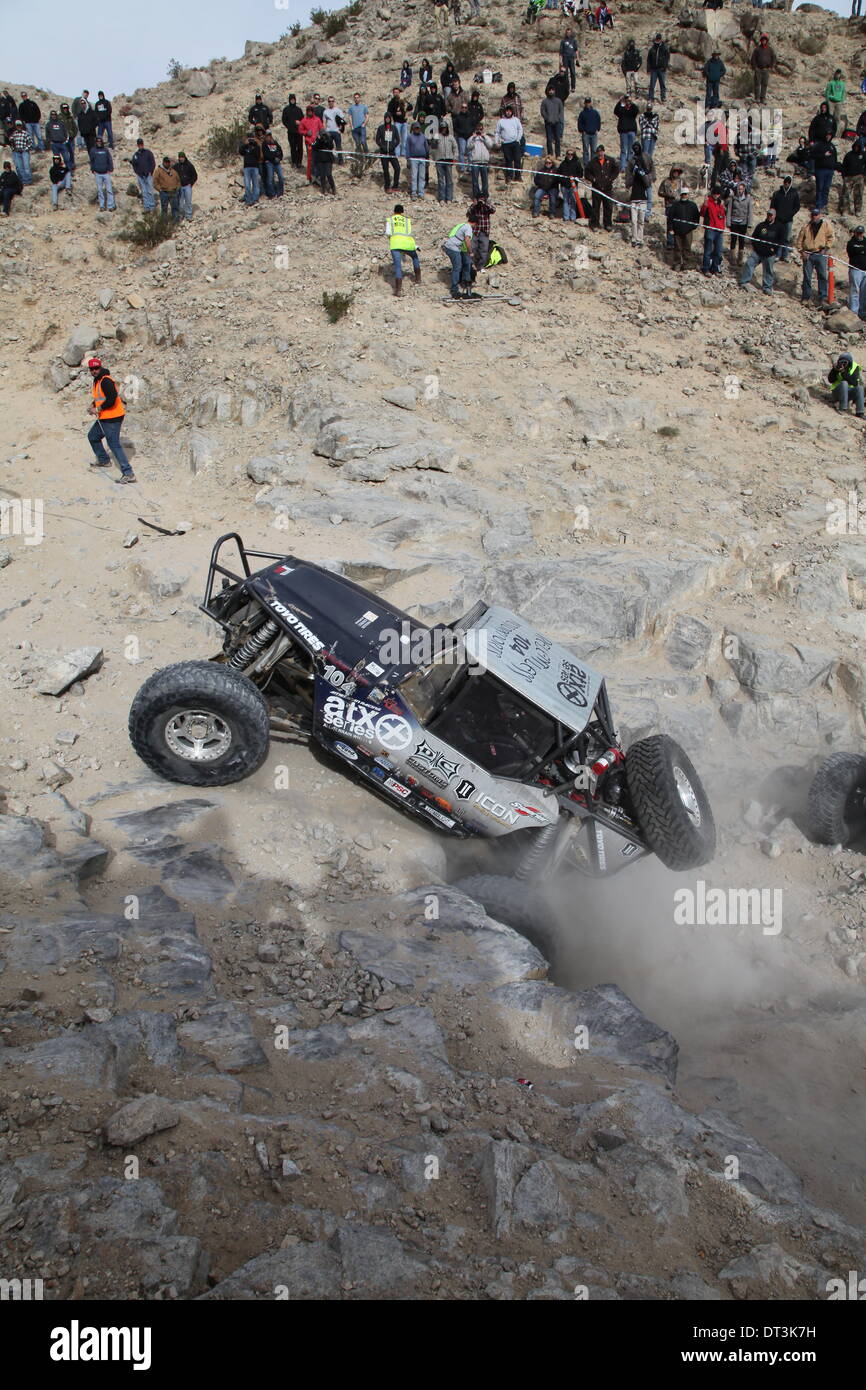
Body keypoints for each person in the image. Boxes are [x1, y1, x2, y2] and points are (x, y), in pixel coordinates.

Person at [86, 358, 135, 483]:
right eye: (92, 369)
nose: (94, 371)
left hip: (113, 417)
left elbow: (112, 398)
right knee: (93, 436)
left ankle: (128, 473)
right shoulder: (97, 380)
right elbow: (100, 397)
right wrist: (93, 405)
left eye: (96, 368)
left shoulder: (105, 380)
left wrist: (98, 408)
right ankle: (104, 460)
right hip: (104, 416)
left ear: (100, 367)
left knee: (113, 444)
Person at [739, 207, 784, 295]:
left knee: (768, 270)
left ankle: (767, 287)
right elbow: (754, 238)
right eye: (768, 214)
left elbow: (781, 241)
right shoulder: (761, 225)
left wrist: (774, 250)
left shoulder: (779, 227)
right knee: (749, 263)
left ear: (774, 216)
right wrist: (756, 248)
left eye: (771, 215)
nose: (769, 216)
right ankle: (744, 281)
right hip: (758, 252)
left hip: (770, 254)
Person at [797, 206, 834, 307]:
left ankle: (823, 297)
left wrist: (826, 248)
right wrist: (802, 251)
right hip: (808, 255)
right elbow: (799, 241)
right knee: (807, 277)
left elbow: (831, 237)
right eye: (813, 214)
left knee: (822, 276)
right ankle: (806, 297)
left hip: (820, 254)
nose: (814, 216)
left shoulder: (826, 225)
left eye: (816, 214)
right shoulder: (806, 227)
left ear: (820, 215)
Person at [386, 203, 420, 295]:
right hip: (407, 244)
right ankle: (418, 279)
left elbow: (388, 233)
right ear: (402, 212)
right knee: (415, 257)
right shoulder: (406, 220)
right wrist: (414, 245)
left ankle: (398, 291)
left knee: (398, 267)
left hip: (395, 244)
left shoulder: (390, 219)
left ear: (394, 211)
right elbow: (409, 233)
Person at [668, 186, 700, 270]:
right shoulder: (675, 205)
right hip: (677, 230)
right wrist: (670, 228)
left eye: (686, 194)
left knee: (687, 248)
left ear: (688, 195)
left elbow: (697, 217)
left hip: (688, 230)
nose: (684, 196)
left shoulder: (693, 205)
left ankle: (687, 264)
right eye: (683, 194)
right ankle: (677, 264)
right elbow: (670, 218)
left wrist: (694, 226)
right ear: (680, 195)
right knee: (677, 248)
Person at [626, 145, 652, 245]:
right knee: (633, 220)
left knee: (641, 220)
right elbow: (628, 183)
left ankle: (640, 239)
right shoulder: (632, 164)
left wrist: (642, 173)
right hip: (634, 198)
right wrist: (633, 172)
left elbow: (648, 183)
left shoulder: (644, 169)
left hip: (643, 199)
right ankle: (634, 238)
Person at [587, 144, 617, 229]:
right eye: (598, 152)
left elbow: (616, 170)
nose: (600, 154)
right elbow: (587, 172)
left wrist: (611, 178)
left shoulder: (610, 160)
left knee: (608, 206)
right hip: (596, 187)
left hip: (607, 187)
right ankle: (595, 224)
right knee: (596, 207)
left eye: (601, 152)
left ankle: (607, 224)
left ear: (604, 151)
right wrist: (593, 179)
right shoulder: (592, 162)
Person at [770, 175, 799, 261]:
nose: (786, 184)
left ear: (790, 183)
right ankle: (777, 255)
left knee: (787, 238)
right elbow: (772, 206)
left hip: (788, 220)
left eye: (788, 183)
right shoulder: (777, 193)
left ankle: (785, 255)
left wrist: (791, 214)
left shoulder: (794, 193)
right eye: (785, 182)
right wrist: (774, 215)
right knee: (779, 237)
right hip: (778, 219)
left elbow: (797, 206)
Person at [442, 219, 473, 297]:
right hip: (452, 247)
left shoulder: (462, 225)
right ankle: (454, 290)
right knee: (457, 267)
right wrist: (471, 252)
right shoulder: (468, 227)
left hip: (451, 245)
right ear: (475, 223)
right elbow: (467, 240)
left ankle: (466, 284)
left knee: (466, 262)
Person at [700, 187, 726, 274]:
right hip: (710, 229)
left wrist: (722, 228)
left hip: (719, 231)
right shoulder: (708, 202)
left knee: (718, 252)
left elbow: (722, 217)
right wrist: (704, 205)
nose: (716, 195)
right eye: (715, 193)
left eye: (718, 194)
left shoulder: (720, 204)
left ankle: (714, 269)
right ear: (712, 193)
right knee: (708, 250)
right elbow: (702, 213)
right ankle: (706, 268)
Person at [726, 181, 752, 267]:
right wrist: (728, 222)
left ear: (744, 189)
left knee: (741, 240)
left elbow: (750, 212)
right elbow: (729, 210)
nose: (740, 190)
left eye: (742, 189)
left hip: (743, 223)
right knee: (733, 239)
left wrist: (750, 223)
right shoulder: (733, 198)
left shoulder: (748, 199)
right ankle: (732, 258)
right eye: (739, 189)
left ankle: (740, 259)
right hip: (734, 222)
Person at [495, 106, 524, 182]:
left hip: (515, 142)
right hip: (505, 144)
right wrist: (497, 141)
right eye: (507, 111)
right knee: (508, 160)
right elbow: (497, 132)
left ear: (512, 112)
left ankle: (518, 176)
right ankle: (509, 176)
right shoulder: (501, 121)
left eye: (509, 111)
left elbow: (520, 129)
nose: (508, 112)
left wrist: (518, 139)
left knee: (517, 159)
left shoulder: (516, 120)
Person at [658, 164, 683, 247]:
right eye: (674, 171)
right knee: (670, 224)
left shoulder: (682, 182)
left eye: (677, 171)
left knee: (679, 224)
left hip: (679, 206)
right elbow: (660, 192)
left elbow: (686, 192)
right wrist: (668, 195)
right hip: (669, 205)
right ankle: (670, 242)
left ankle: (678, 242)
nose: (676, 173)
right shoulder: (665, 181)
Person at [468, 193, 495, 265]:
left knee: (483, 250)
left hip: (484, 231)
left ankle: (481, 266)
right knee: (472, 248)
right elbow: (468, 213)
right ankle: (471, 265)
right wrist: (474, 205)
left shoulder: (487, 206)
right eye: (480, 199)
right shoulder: (474, 206)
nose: (481, 201)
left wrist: (485, 204)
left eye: (482, 199)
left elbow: (493, 210)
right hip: (475, 231)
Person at [812, 138, 838, 214]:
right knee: (820, 188)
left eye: (830, 135)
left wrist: (834, 166)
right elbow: (813, 155)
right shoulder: (819, 145)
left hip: (830, 170)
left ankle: (824, 205)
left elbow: (835, 158)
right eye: (827, 135)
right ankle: (818, 206)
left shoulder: (832, 146)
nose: (828, 137)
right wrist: (823, 155)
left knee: (826, 188)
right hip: (820, 169)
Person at [298, 106, 323, 183]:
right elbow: (300, 130)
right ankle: (309, 177)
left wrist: (320, 134)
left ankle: (317, 175)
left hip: (317, 142)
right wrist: (306, 133)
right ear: (306, 111)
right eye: (308, 111)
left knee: (318, 159)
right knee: (310, 160)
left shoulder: (317, 119)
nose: (310, 112)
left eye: (311, 111)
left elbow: (321, 128)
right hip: (309, 142)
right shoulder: (304, 120)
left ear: (313, 111)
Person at [376, 115, 401, 191]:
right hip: (383, 153)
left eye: (389, 118)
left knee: (397, 168)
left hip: (392, 152)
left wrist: (393, 146)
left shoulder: (394, 128)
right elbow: (377, 139)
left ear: (390, 119)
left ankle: (395, 186)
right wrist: (382, 146)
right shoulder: (381, 128)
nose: (387, 119)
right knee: (386, 170)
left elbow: (398, 139)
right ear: (384, 119)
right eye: (386, 118)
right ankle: (387, 186)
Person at [90, 137, 115, 211]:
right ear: (96, 142)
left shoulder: (105, 150)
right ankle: (102, 205)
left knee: (109, 190)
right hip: (98, 173)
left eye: (100, 142)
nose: (99, 143)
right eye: (97, 142)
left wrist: (110, 169)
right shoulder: (93, 150)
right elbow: (91, 161)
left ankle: (110, 206)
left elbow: (109, 159)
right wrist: (93, 170)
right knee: (100, 190)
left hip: (106, 173)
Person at [130, 138, 156, 211]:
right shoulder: (135, 155)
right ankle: (146, 207)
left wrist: (151, 171)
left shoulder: (148, 153)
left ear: (143, 144)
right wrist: (138, 173)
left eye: (141, 144)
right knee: (144, 191)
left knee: (150, 191)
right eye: (139, 144)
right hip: (140, 176)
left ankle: (152, 206)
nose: (140, 145)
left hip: (148, 175)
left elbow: (153, 163)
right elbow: (134, 165)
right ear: (137, 145)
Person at [840, 143, 866, 216]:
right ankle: (845, 210)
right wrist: (844, 175)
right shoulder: (849, 155)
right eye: (855, 146)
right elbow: (844, 166)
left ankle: (858, 210)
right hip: (848, 177)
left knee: (858, 194)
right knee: (846, 194)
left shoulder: (863, 155)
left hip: (859, 177)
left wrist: (864, 174)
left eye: (858, 146)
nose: (856, 148)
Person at [613, 95, 637, 171]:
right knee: (623, 150)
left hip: (631, 131)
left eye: (628, 101)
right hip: (623, 132)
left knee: (631, 150)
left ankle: (629, 166)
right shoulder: (622, 110)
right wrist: (620, 101)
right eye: (626, 100)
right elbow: (616, 111)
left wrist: (631, 102)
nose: (627, 102)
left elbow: (637, 110)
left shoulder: (632, 109)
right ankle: (623, 166)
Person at [467, 124, 492, 197]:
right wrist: (473, 139)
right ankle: (476, 195)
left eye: (480, 129)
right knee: (475, 181)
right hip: (475, 161)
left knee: (485, 180)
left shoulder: (486, 137)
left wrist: (484, 137)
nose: (479, 131)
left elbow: (490, 146)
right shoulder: (471, 138)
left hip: (484, 161)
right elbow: (468, 147)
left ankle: (485, 195)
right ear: (475, 130)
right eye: (478, 130)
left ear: (483, 129)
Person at [558, 147, 583, 220]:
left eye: (571, 154)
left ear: (574, 154)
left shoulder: (577, 163)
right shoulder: (563, 163)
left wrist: (575, 179)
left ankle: (573, 217)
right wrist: (562, 181)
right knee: (565, 201)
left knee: (573, 201)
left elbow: (580, 173)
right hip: (564, 185)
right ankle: (566, 217)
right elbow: (558, 174)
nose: (570, 155)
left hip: (573, 186)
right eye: (568, 154)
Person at [846, 226, 866, 317]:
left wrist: (860, 250)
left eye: (861, 233)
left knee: (863, 292)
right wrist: (862, 250)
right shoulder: (851, 243)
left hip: (865, 270)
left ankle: (862, 312)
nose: (859, 235)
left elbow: (859, 251)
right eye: (858, 233)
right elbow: (853, 251)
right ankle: (854, 312)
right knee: (855, 291)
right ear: (855, 233)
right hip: (855, 269)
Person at [436, 122, 458, 201]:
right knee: (441, 180)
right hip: (439, 160)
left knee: (449, 180)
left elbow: (455, 147)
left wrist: (455, 157)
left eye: (445, 128)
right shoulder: (437, 136)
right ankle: (441, 198)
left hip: (449, 160)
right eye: (442, 128)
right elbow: (432, 147)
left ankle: (449, 198)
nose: (443, 130)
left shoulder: (451, 137)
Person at [406, 122, 429, 198]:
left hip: (422, 158)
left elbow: (426, 148)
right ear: (413, 128)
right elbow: (407, 148)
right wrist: (408, 159)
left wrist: (427, 159)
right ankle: (413, 192)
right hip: (413, 159)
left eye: (418, 128)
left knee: (422, 176)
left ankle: (421, 192)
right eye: (416, 128)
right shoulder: (409, 137)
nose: (417, 129)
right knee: (414, 176)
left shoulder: (423, 137)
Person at [237, 133, 262, 204]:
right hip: (247, 167)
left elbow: (258, 156)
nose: (251, 140)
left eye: (252, 139)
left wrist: (255, 145)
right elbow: (240, 152)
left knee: (256, 184)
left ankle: (255, 199)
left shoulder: (256, 146)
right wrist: (245, 144)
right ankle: (248, 199)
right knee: (247, 185)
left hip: (255, 167)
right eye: (249, 139)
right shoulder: (245, 146)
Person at [751, 33, 775, 104]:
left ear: (767, 41)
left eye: (765, 40)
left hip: (766, 69)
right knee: (757, 84)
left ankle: (763, 98)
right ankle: (757, 98)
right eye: (762, 40)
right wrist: (755, 67)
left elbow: (773, 58)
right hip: (758, 69)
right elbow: (753, 59)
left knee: (764, 84)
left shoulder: (770, 49)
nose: (764, 41)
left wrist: (771, 66)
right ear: (761, 40)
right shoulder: (757, 49)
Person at [541, 87, 565, 158]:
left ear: (554, 91)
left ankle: (558, 155)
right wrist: (547, 118)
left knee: (557, 139)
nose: (551, 92)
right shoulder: (545, 101)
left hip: (557, 123)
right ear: (547, 92)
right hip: (548, 123)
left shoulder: (558, 101)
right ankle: (550, 154)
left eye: (552, 90)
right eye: (549, 90)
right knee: (549, 139)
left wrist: (559, 119)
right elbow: (542, 111)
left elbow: (561, 111)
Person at [281, 96, 304, 168]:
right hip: (291, 132)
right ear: (289, 100)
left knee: (300, 147)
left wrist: (300, 123)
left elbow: (303, 120)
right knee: (293, 147)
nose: (292, 101)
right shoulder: (286, 109)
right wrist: (289, 126)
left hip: (299, 132)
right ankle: (294, 162)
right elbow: (284, 120)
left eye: (294, 99)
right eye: (291, 100)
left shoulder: (298, 110)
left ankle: (299, 162)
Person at [646, 34, 669, 105]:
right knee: (652, 84)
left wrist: (664, 67)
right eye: (657, 39)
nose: (658, 40)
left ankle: (663, 98)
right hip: (653, 69)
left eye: (659, 39)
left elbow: (667, 58)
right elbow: (648, 59)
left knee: (662, 85)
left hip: (661, 69)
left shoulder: (665, 48)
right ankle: (650, 98)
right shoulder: (652, 48)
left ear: (661, 39)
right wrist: (648, 69)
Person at [323, 96, 346, 164]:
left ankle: (340, 160)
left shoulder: (338, 110)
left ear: (334, 102)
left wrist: (340, 130)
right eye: (329, 101)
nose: (331, 102)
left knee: (338, 146)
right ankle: (330, 159)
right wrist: (324, 131)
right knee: (329, 146)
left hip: (336, 131)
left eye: (332, 101)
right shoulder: (325, 111)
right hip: (329, 131)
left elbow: (342, 121)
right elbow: (324, 122)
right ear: (328, 102)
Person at [313, 127, 336, 194]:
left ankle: (333, 187)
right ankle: (323, 189)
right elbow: (313, 146)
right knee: (322, 175)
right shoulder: (317, 139)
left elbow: (331, 146)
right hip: (320, 159)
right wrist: (319, 140)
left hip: (328, 159)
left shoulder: (329, 138)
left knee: (328, 174)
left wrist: (326, 140)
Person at [578, 96, 600, 164]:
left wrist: (597, 129)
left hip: (594, 134)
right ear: (585, 103)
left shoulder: (595, 112)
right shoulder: (582, 113)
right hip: (586, 134)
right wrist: (582, 130)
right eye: (586, 103)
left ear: (591, 103)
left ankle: (593, 164)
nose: (588, 104)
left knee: (594, 150)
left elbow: (598, 121)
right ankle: (586, 165)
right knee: (586, 150)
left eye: (589, 102)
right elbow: (580, 123)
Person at [175, 150, 197, 218]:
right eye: (180, 157)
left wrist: (191, 183)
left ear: (185, 157)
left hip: (187, 186)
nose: (181, 158)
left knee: (188, 201)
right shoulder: (177, 166)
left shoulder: (189, 165)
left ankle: (189, 215)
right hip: (180, 186)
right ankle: (181, 214)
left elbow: (195, 175)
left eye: (182, 157)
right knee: (180, 202)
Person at [560, 28, 580, 93]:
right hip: (565, 58)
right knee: (565, 74)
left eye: (569, 32)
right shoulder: (563, 41)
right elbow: (561, 52)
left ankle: (573, 87)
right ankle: (567, 87)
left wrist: (577, 59)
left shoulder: (573, 41)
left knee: (573, 73)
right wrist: (560, 60)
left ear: (571, 33)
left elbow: (576, 50)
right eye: (567, 32)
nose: (568, 33)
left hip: (571, 58)